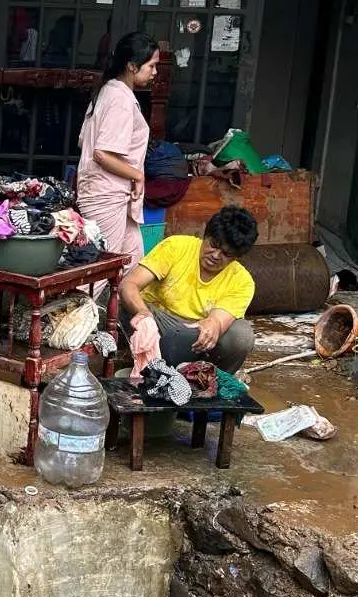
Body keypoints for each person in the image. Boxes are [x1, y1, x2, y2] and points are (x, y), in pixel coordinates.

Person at [118, 206, 259, 375]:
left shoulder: (242, 281)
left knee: (242, 335)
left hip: (194, 337)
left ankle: (214, 381)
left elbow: (218, 320)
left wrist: (212, 324)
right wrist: (142, 312)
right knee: (123, 305)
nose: (215, 255)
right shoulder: (177, 246)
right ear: (205, 235)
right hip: (158, 321)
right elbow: (129, 284)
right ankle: (156, 366)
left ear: (236, 257)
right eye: (213, 245)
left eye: (226, 254)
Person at [75, 31, 160, 265]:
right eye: (151, 66)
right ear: (133, 66)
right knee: (100, 270)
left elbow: (84, 141)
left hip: (111, 193)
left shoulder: (108, 90)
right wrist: (138, 176)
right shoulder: (119, 99)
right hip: (107, 195)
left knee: (132, 264)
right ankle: (68, 304)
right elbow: (102, 153)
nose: (155, 72)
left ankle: (133, 303)